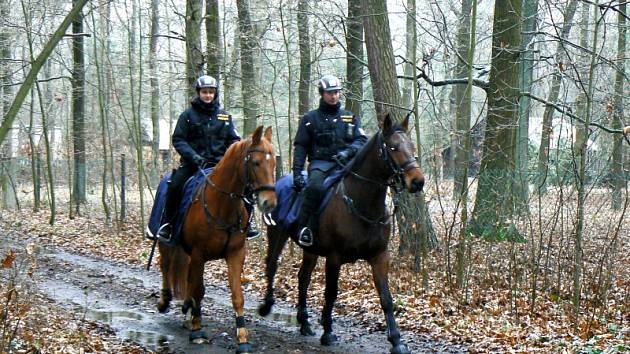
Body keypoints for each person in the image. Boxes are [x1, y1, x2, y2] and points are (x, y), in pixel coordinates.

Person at [156, 75, 259, 240]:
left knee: (245, 184)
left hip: (220, 164)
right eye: (204, 92)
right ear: (199, 93)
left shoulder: (224, 116)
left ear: (215, 93)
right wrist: (193, 156)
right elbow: (178, 139)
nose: (208, 95)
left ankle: (248, 224)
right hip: (193, 164)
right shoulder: (187, 115)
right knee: (175, 185)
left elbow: (233, 140)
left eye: (211, 92)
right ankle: (168, 225)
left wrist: (230, 155)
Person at [292, 75, 367, 246]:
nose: (333, 96)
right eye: (329, 93)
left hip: (346, 163)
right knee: (315, 187)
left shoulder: (349, 117)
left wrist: (348, 152)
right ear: (322, 94)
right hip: (321, 164)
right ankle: (304, 228)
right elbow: (300, 147)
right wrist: (297, 173)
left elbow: (361, 140)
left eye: (336, 92)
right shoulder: (310, 119)